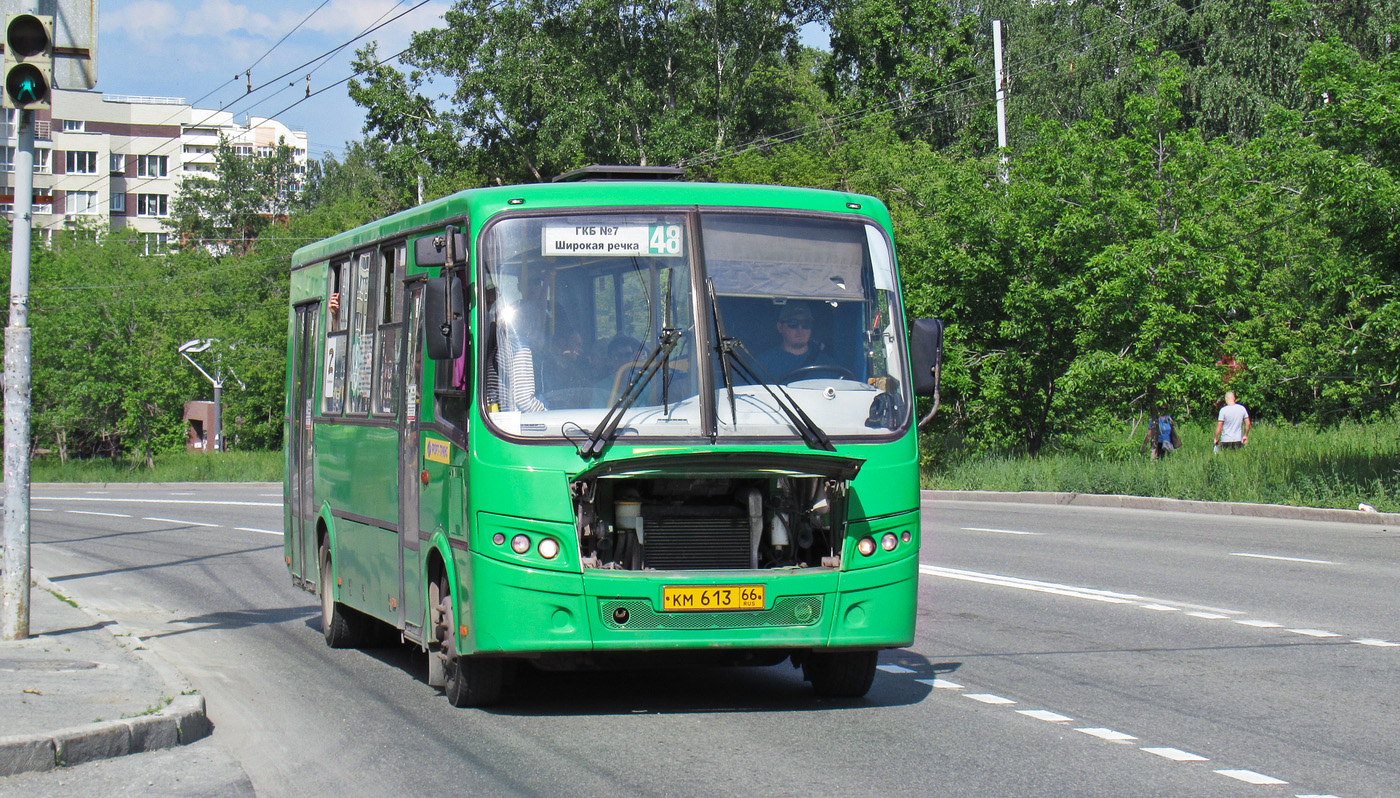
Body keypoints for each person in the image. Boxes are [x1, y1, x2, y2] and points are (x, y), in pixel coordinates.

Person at [756, 302, 835, 380]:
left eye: (806, 324)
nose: (800, 330)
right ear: (780, 327)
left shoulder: (827, 364)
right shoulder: (763, 364)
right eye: (793, 323)